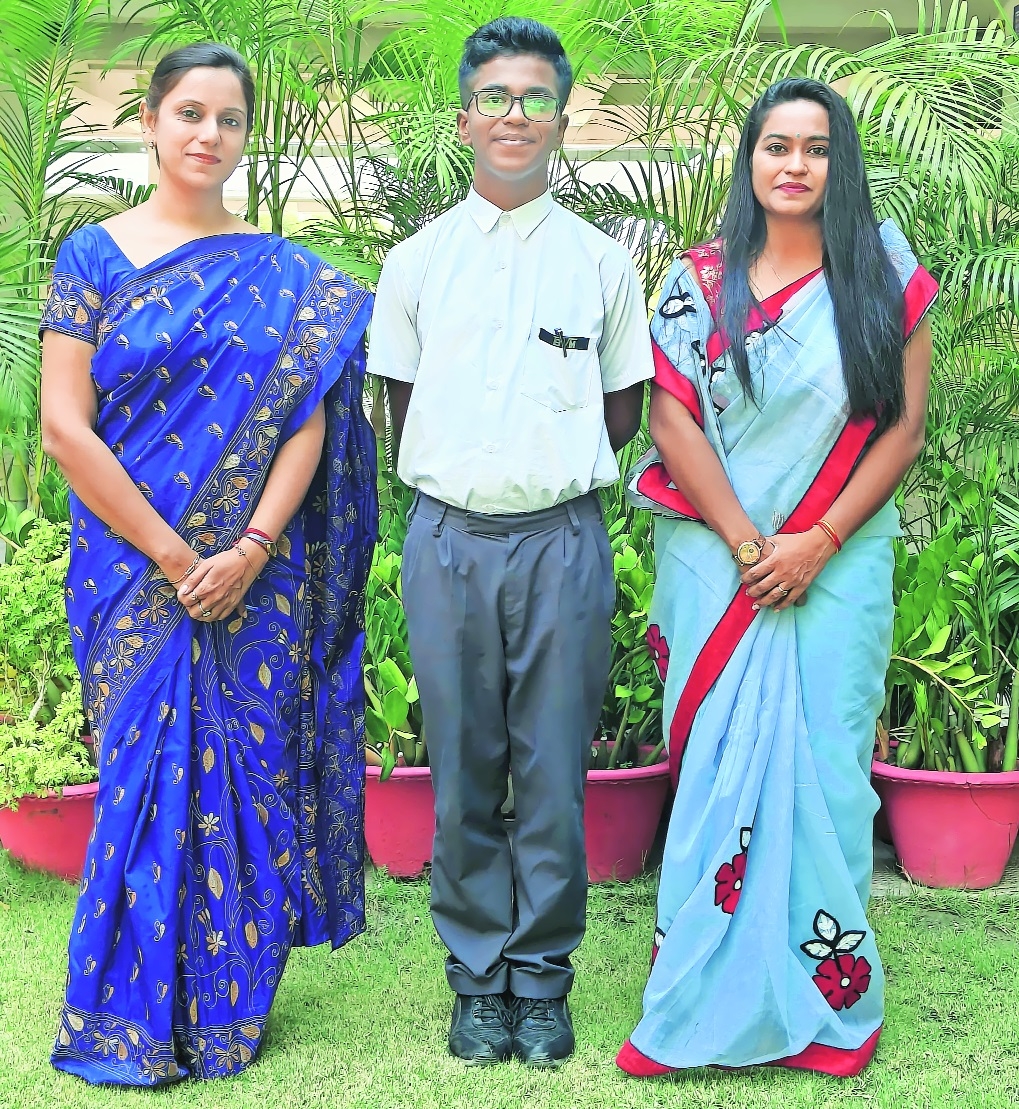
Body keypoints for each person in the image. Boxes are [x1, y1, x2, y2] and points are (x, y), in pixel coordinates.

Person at [39, 43, 375, 1085]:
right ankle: (127, 1016)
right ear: (148, 120)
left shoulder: (286, 276)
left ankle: (225, 1011)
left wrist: (251, 546)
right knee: (147, 775)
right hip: (135, 570)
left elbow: (304, 424)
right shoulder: (90, 257)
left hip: (252, 574)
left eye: (227, 119)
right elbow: (64, 426)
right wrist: (181, 551)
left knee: (249, 777)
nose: (207, 135)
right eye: (188, 112)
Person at [617, 78, 937, 1078]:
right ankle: (699, 998)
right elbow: (667, 417)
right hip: (718, 563)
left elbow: (900, 427)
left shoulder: (883, 273)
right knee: (715, 767)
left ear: (838, 165)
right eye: (774, 146)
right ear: (748, 161)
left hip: (837, 564)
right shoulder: (695, 281)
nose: (793, 164)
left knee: (827, 774)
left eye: (814, 148)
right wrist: (756, 547)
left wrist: (816, 540)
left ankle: (825, 1001)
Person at [367, 17, 653, 1068]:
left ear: (561, 119)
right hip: (447, 541)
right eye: (494, 96)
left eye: (534, 97)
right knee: (462, 769)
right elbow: (399, 400)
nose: (514, 115)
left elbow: (620, 407)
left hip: (561, 543)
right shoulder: (414, 262)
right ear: (464, 117)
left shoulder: (599, 265)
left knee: (550, 773)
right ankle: (476, 980)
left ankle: (541, 981)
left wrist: (543, 473)